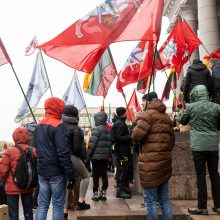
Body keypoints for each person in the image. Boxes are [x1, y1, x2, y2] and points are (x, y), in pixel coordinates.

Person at [132, 92, 175, 220]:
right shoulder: (167, 118)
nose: (142, 104)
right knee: (164, 201)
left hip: (150, 165)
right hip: (164, 164)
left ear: (149, 101)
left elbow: (136, 136)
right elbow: (172, 141)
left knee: (150, 202)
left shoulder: (147, 115)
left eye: (144, 101)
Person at [179, 85, 220, 215]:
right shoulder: (216, 107)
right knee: (215, 175)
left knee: (200, 175)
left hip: (198, 146)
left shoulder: (191, 107)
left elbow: (183, 121)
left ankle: (202, 206)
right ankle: (218, 205)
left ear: (195, 94)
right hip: (213, 145)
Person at [34, 97, 74, 220]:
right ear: (59, 109)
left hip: (42, 170)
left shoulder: (38, 125)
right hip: (56, 171)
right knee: (57, 205)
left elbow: (36, 149)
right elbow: (63, 152)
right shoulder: (59, 126)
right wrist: (70, 173)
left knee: (42, 204)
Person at [0, 127, 37, 220]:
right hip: (28, 186)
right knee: (28, 212)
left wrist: (6, 181)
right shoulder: (33, 151)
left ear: (14, 137)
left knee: (13, 213)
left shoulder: (9, 151)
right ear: (27, 136)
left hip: (12, 187)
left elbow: (3, 171)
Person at [62, 105, 90, 211]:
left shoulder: (59, 126)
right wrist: (82, 159)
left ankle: (64, 211)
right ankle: (81, 201)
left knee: (67, 183)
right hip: (73, 157)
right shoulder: (76, 129)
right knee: (86, 176)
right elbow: (77, 148)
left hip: (61, 157)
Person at [87, 111, 112, 201]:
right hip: (105, 157)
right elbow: (110, 145)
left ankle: (95, 193)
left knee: (96, 175)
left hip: (95, 157)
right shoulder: (108, 131)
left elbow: (92, 145)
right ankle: (104, 192)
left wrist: (88, 157)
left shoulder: (96, 130)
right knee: (104, 173)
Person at [112, 107, 132, 199]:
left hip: (123, 151)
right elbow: (118, 137)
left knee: (123, 168)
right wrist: (130, 136)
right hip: (122, 152)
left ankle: (123, 187)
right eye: (126, 112)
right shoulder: (120, 123)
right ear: (124, 113)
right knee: (123, 169)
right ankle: (120, 190)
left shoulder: (120, 122)